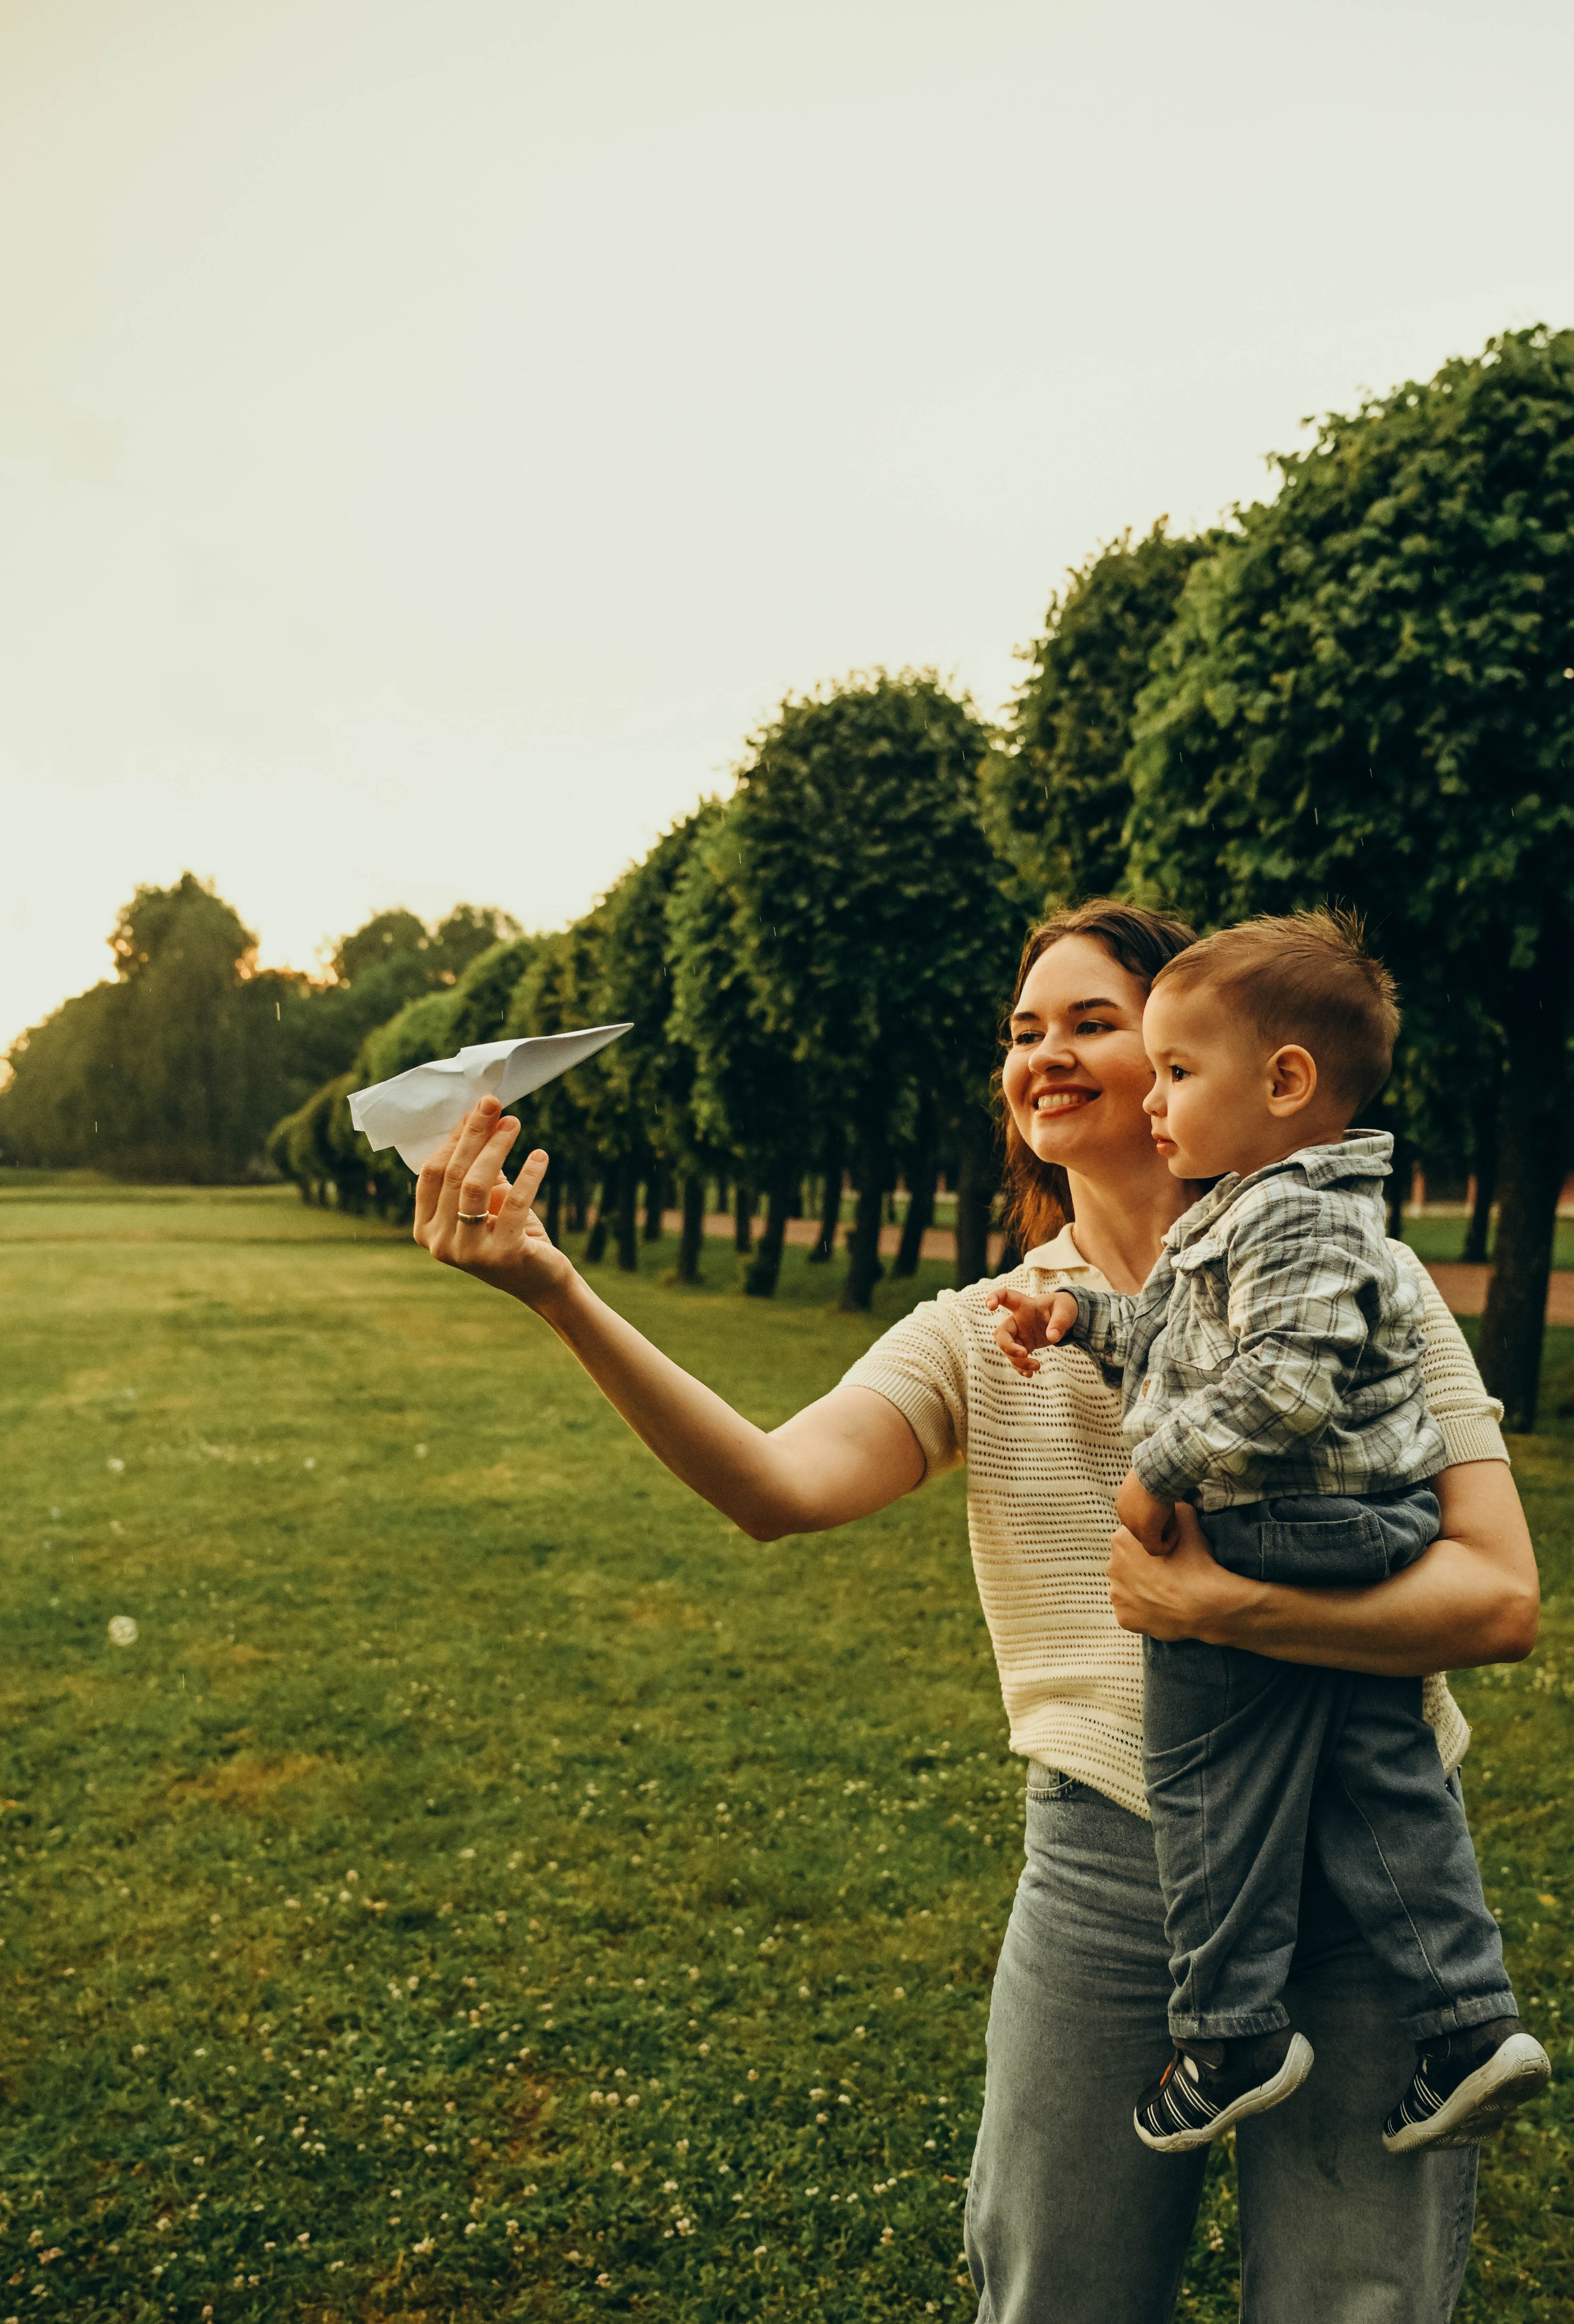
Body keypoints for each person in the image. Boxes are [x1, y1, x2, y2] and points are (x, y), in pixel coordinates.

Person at [412, 897, 1540, 2323]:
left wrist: (1215, 1606)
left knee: (1357, 2305)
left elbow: (1495, 1594)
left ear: (1216, 1057)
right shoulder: (983, 1326)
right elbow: (773, 1485)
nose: (1043, 1054)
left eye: (1090, 1023)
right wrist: (556, 1289)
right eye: (1021, 1031)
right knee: (1054, 2292)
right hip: (1111, 1879)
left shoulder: (1355, 1277)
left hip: (1366, 1857)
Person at [986, 911, 1548, 2160]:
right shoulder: (1251, 1213)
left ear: (1284, 1082)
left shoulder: (1295, 1216)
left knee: (1190, 1759)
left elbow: (1279, 1391)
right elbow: (1180, 1342)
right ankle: (1466, 2019)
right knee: (1369, 1760)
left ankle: (1230, 2024)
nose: (1153, 1101)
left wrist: (1154, 1475)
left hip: (1297, 1523)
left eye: (1171, 1068)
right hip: (1342, 1524)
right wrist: (1076, 1314)